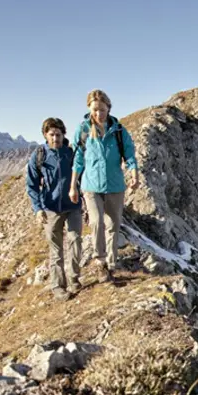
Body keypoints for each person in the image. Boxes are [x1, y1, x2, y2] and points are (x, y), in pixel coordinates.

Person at [69, 89, 139, 284]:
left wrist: (134, 174)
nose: (98, 113)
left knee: (113, 225)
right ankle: (100, 263)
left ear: (108, 108)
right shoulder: (83, 130)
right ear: (89, 109)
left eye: (102, 109)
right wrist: (73, 186)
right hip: (91, 186)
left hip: (115, 186)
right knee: (97, 221)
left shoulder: (118, 131)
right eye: (95, 110)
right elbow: (78, 160)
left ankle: (111, 264)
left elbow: (130, 155)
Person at [26, 118, 82, 300]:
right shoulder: (39, 155)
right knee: (56, 250)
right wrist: (38, 209)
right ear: (45, 135)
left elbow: (82, 176)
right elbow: (32, 184)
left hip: (73, 205)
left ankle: (74, 279)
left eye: (58, 134)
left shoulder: (71, 153)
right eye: (52, 134)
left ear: (63, 134)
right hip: (50, 208)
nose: (55, 138)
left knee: (75, 240)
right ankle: (58, 286)